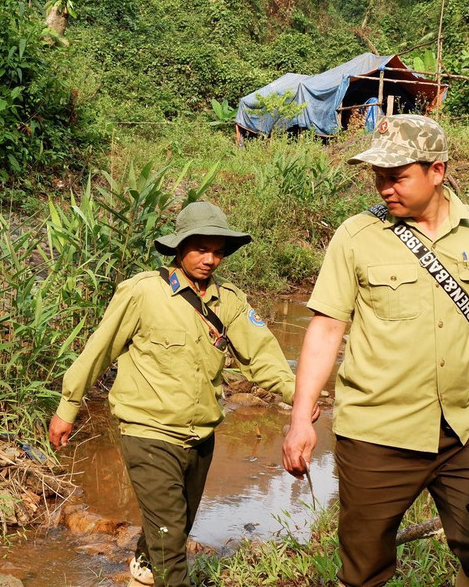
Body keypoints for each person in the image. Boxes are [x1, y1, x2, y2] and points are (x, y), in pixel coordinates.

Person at [282, 114, 469, 587]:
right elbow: (327, 329)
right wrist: (299, 421)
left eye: (396, 177)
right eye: (378, 177)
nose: (384, 188)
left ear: (438, 171)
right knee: (366, 570)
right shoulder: (356, 236)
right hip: (376, 434)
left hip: (462, 427)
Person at [48, 202, 301, 587]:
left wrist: (300, 396)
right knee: (172, 549)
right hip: (148, 432)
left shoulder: (229, 301)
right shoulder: (144, 293)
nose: (210, 259)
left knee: (173, 527)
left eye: (217, 251)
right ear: (179, 247)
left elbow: (263, 356)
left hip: (200, 436)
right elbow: (99, 350)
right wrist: (68, 407)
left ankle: (143, 570)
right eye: (201, 248)